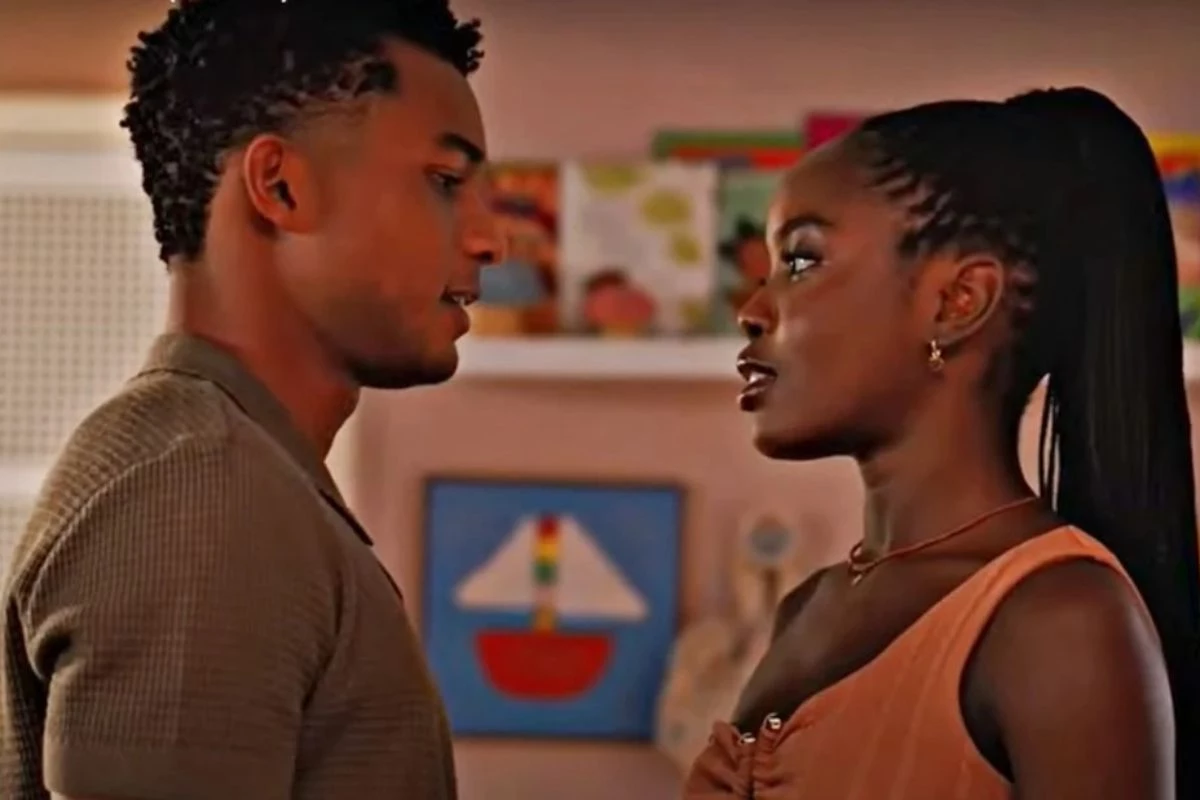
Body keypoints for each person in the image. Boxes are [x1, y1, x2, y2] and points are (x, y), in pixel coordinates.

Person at [0, 1, 500, 798]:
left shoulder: (244, 474)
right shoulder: (199, 487)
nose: (490, 239)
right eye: (444, 181)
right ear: (280, 186)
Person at [685, 87, 1200, 799]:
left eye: (801, 261)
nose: (751, 310)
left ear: (958, 302)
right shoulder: (807, 608)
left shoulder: (1061, 620)